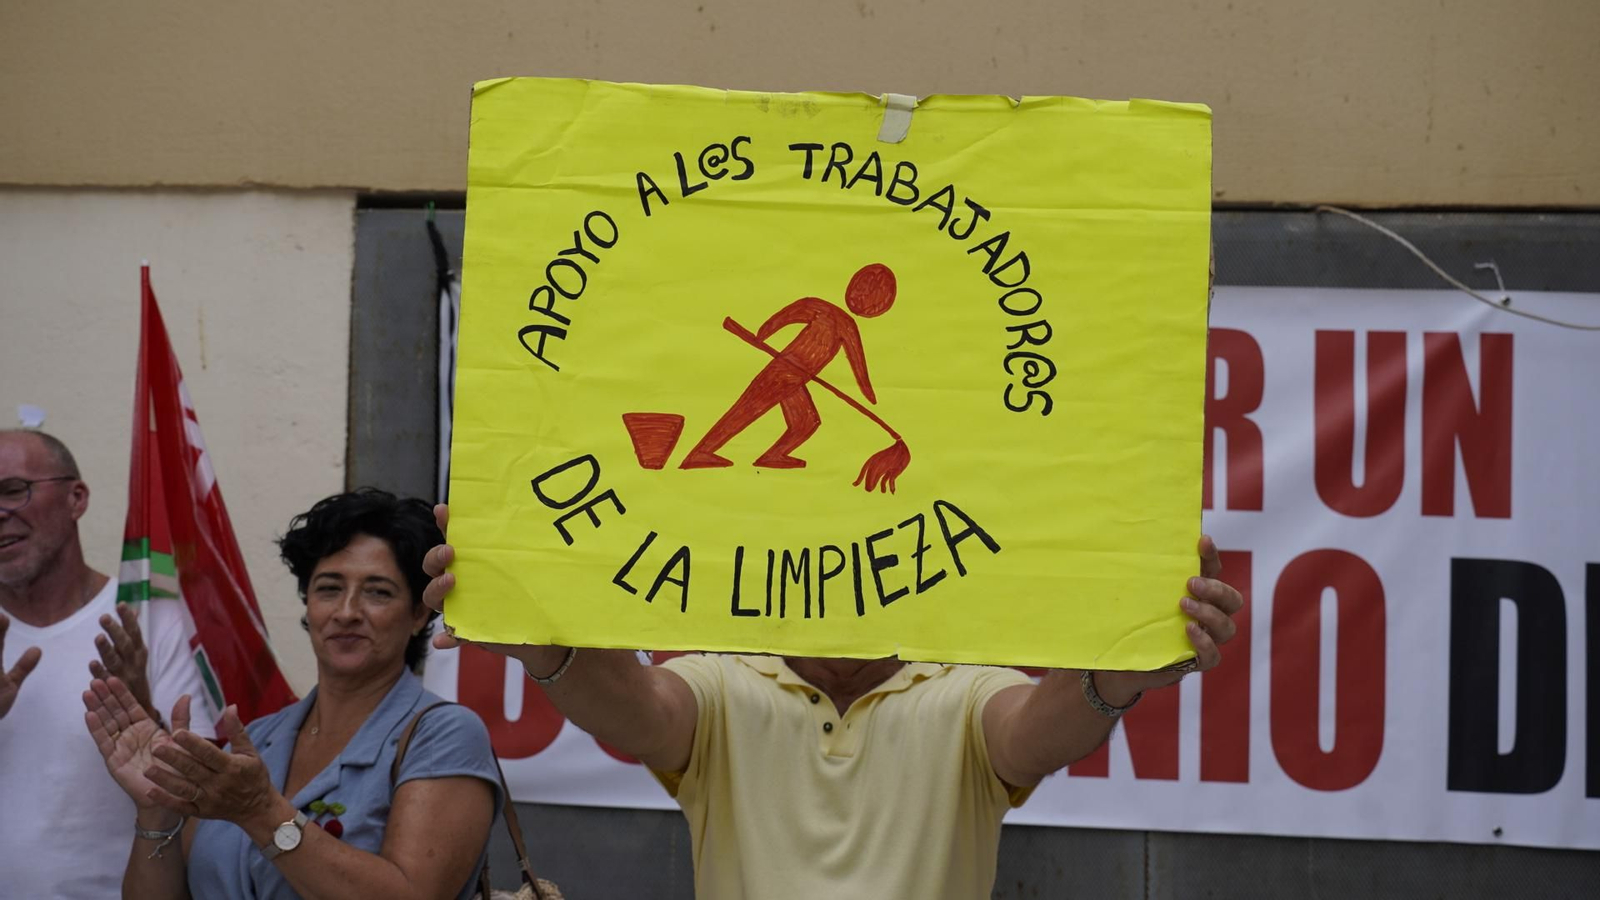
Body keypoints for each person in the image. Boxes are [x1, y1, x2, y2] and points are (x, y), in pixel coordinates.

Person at [422, 504, 1245, 899]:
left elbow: (1036, 733)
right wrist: (545, 642)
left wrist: (1125, 668)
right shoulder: (724, 684)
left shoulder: (960, 694)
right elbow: (638, 708)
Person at [84, 488, 502, 900]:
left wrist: (261, 811)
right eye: (329, 588)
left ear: (417, 615)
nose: (346, 612)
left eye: (378, 591)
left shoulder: (444, 733)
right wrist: (156, 807)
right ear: (308, 605)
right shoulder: (255, 738)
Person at [0, 429, 218, 900]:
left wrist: (143, 713)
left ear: (76, 498)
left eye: (13, 490)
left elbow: (204, 799)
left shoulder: (151, 621)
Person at [680, 263, 897, 469]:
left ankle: (773, 455)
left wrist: (869, 394)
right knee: (746, 410)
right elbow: (790, 314)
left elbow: (858, 367)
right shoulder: (827, 313)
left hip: (795, 379)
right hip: (783, 373)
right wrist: (763, 333)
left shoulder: (842, 322)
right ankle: (700, 453)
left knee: (805, 422)